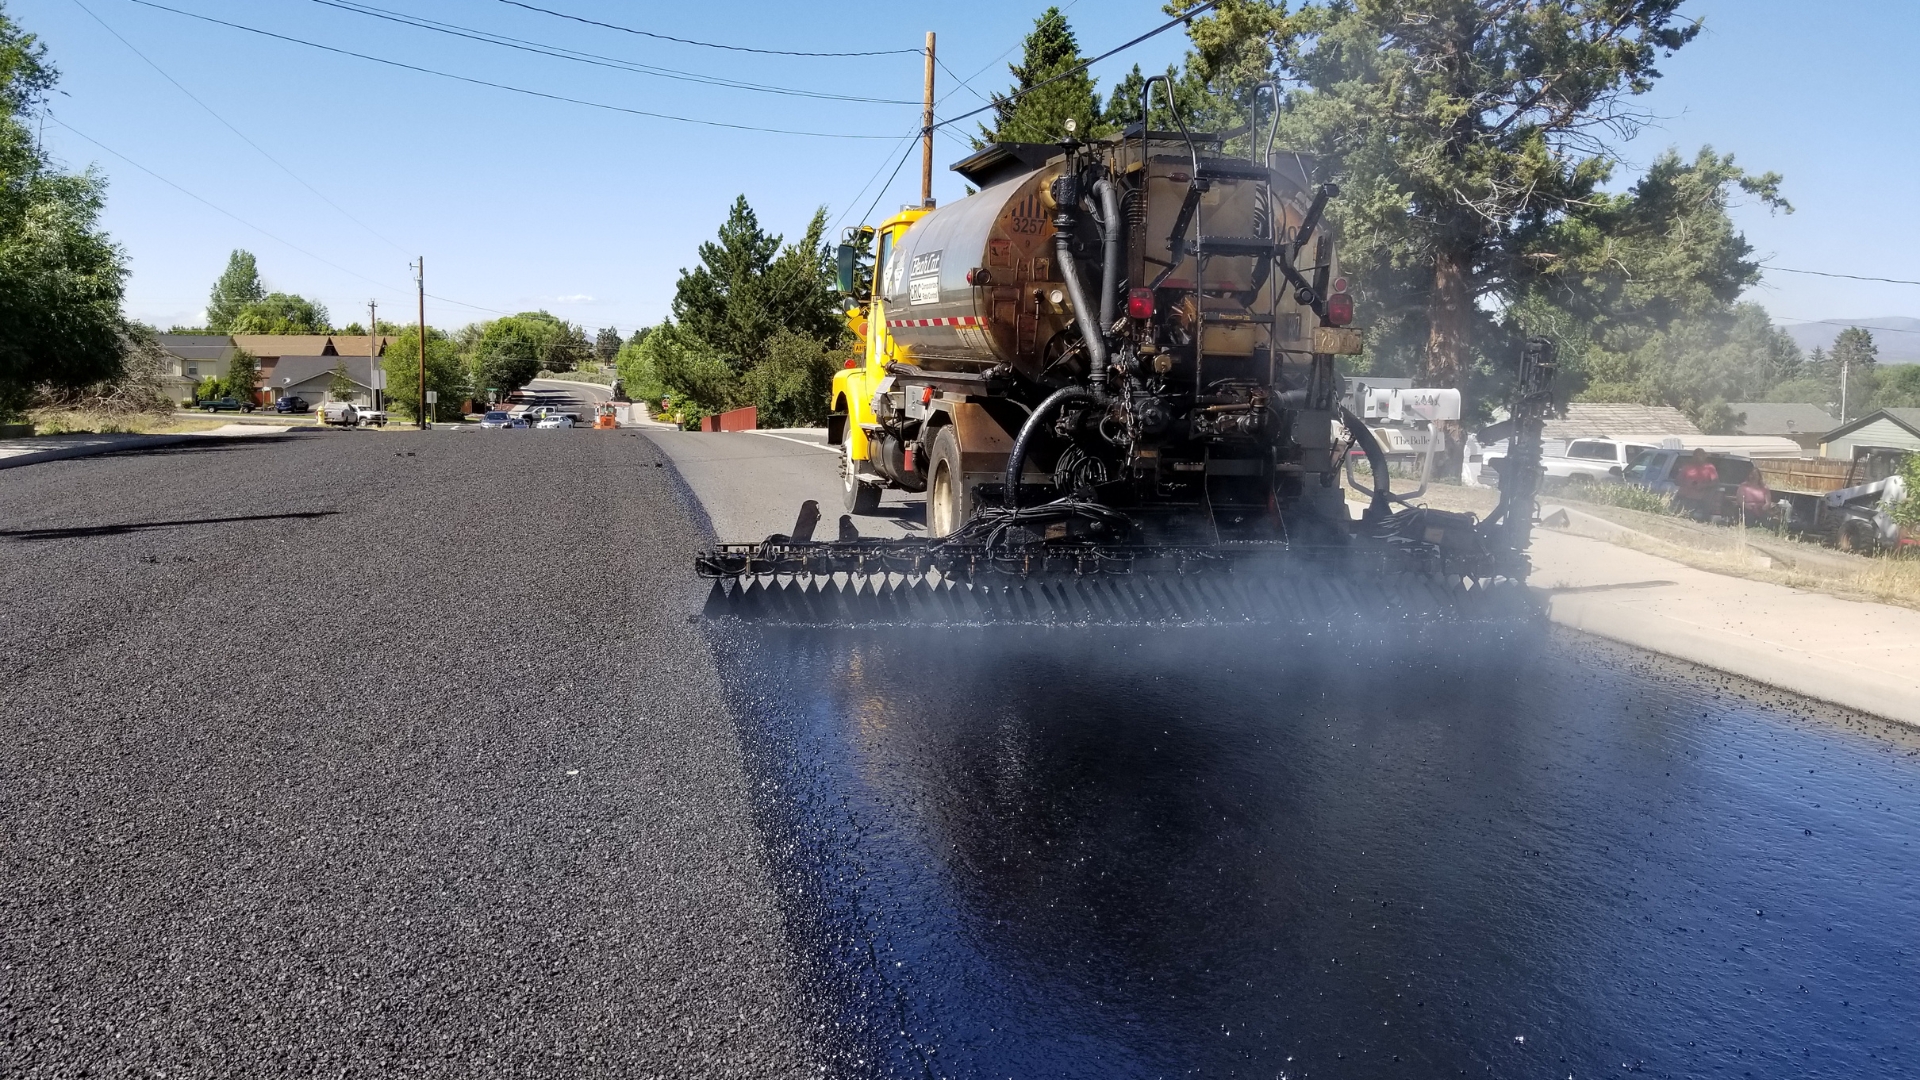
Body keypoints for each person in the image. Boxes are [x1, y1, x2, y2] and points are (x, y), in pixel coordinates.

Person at [1674, 448, 1719, 520]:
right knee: (1682, 517)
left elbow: (1715, 482)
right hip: (1685, 498)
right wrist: (1687, 483)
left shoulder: (1709, 468)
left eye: (1700, 455)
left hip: (1703, 499)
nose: (1698, 457)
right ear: (1693, 456)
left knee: (1703, 520)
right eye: (1696, 455)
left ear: (1704, 456)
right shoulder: (1687, 467)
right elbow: (1677, 481)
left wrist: (1703, 485)